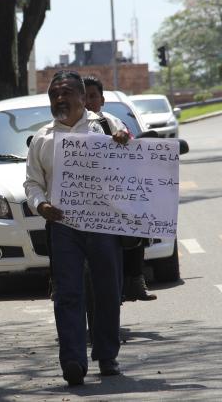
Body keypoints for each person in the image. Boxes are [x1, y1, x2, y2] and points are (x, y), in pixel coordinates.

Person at [24, 70, 129, 386]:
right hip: (63, 226)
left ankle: (107, 355)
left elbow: (135, 164)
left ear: (84, 98)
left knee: (108, 290)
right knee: (68, 293)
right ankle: (72, 360)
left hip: (103, 224)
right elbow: (32, 183)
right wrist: (41, 205)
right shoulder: (42, 138)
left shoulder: (108, 127)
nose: (60, 98)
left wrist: (125, 143)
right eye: (54, 93)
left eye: (67, 92)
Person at [83, 76, 156, 302]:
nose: (87, 101)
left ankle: (135, 279)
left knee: (136, 222)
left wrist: (124, 137)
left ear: (101, 100)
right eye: (82, 96)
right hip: (79, 202)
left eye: (92, 96)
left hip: (113, 197)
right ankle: (57, 283)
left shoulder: (112, 122)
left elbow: (133, 149)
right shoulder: (62, 127)